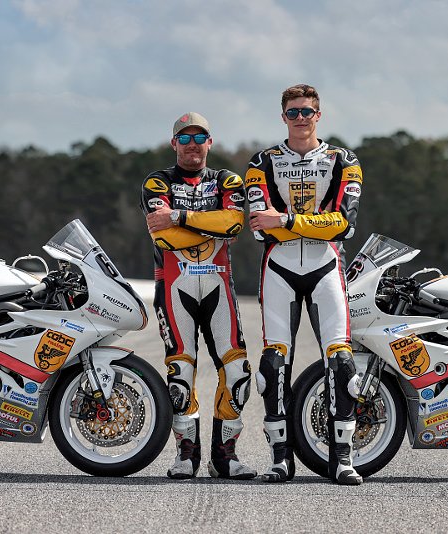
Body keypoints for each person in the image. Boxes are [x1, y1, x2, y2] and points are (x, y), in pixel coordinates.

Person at [246, 84, 364, 485]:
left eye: (307, 112)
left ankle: (342, 459)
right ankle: (281, 460)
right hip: (277, 268)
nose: (300, 119)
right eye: (293, 112)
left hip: (326, 266)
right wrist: (294, 223)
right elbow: (261, 229)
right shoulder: (261, 162)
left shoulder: (343, 160)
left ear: (319, 115)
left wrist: (287, 221)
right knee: (272, 365)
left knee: (342, 363)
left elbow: (344, 224)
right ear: (283, 117)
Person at [141, 112, 256, 480]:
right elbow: (163, 237)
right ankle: (186, 455)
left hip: (220, 287)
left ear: (211, 141)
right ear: (174, 143)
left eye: (199, 137)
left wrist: (179, 216)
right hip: (175, 288)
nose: (192, 144)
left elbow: (235, 222)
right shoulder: (157, 181)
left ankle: (225, 457)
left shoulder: (228, 179)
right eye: (184, 138)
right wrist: (212, 226)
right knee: (181, 371)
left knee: (237, 370)